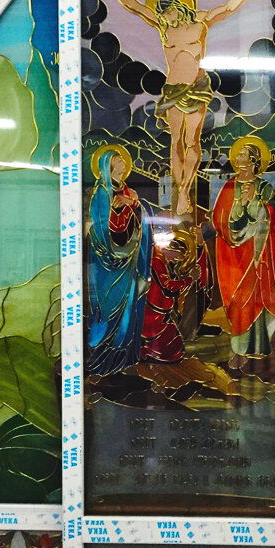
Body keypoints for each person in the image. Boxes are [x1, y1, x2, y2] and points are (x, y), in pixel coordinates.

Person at [99, 0, 253, 217]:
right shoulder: (163, 27)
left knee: (192, 140)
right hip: (173, 90)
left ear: (177, 6)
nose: (166, 17)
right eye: (162, 14)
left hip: (197, 87)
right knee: (176, 141)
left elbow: (228, 8)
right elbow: (134, 7)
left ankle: (184, 192)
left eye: (167, 11)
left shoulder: (201, 21)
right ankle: (180, 192)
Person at [86, 144, 152, 375]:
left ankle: (122, 359)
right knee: (107, 308)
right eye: (118, 161)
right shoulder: (101, 193)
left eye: (124, 161)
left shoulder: (129, 192)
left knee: (128, 306)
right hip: (107, 264)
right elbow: (99, 227)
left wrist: (133, 205)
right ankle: (102, 359)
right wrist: (117, 210)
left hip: (128, 261)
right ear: (109, 166)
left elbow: (140, 222)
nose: (123, 164)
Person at [212, 136, 275, 357]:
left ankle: (261, 344)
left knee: (257, 296)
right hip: (234, 254)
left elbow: (272, 217)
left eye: (243, 154)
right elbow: (219, 219)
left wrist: (255, 203)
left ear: (253, 160)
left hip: (258, 253)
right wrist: (241, 205)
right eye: (238, 154)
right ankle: (241, 347)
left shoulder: (265, 188)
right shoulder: (229, 187)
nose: (238, 158)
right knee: (240, 300)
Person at [140, 227, 198, 363]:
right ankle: (149, 354)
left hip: (158, 310)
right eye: (178, 256)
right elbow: (167, 287)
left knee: (172, 340)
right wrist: (190, 279)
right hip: (154, 311)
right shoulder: (157, 261)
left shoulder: (161, 259)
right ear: (170, 249)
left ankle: (149, 353)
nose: (177, 260)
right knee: (171, 344)